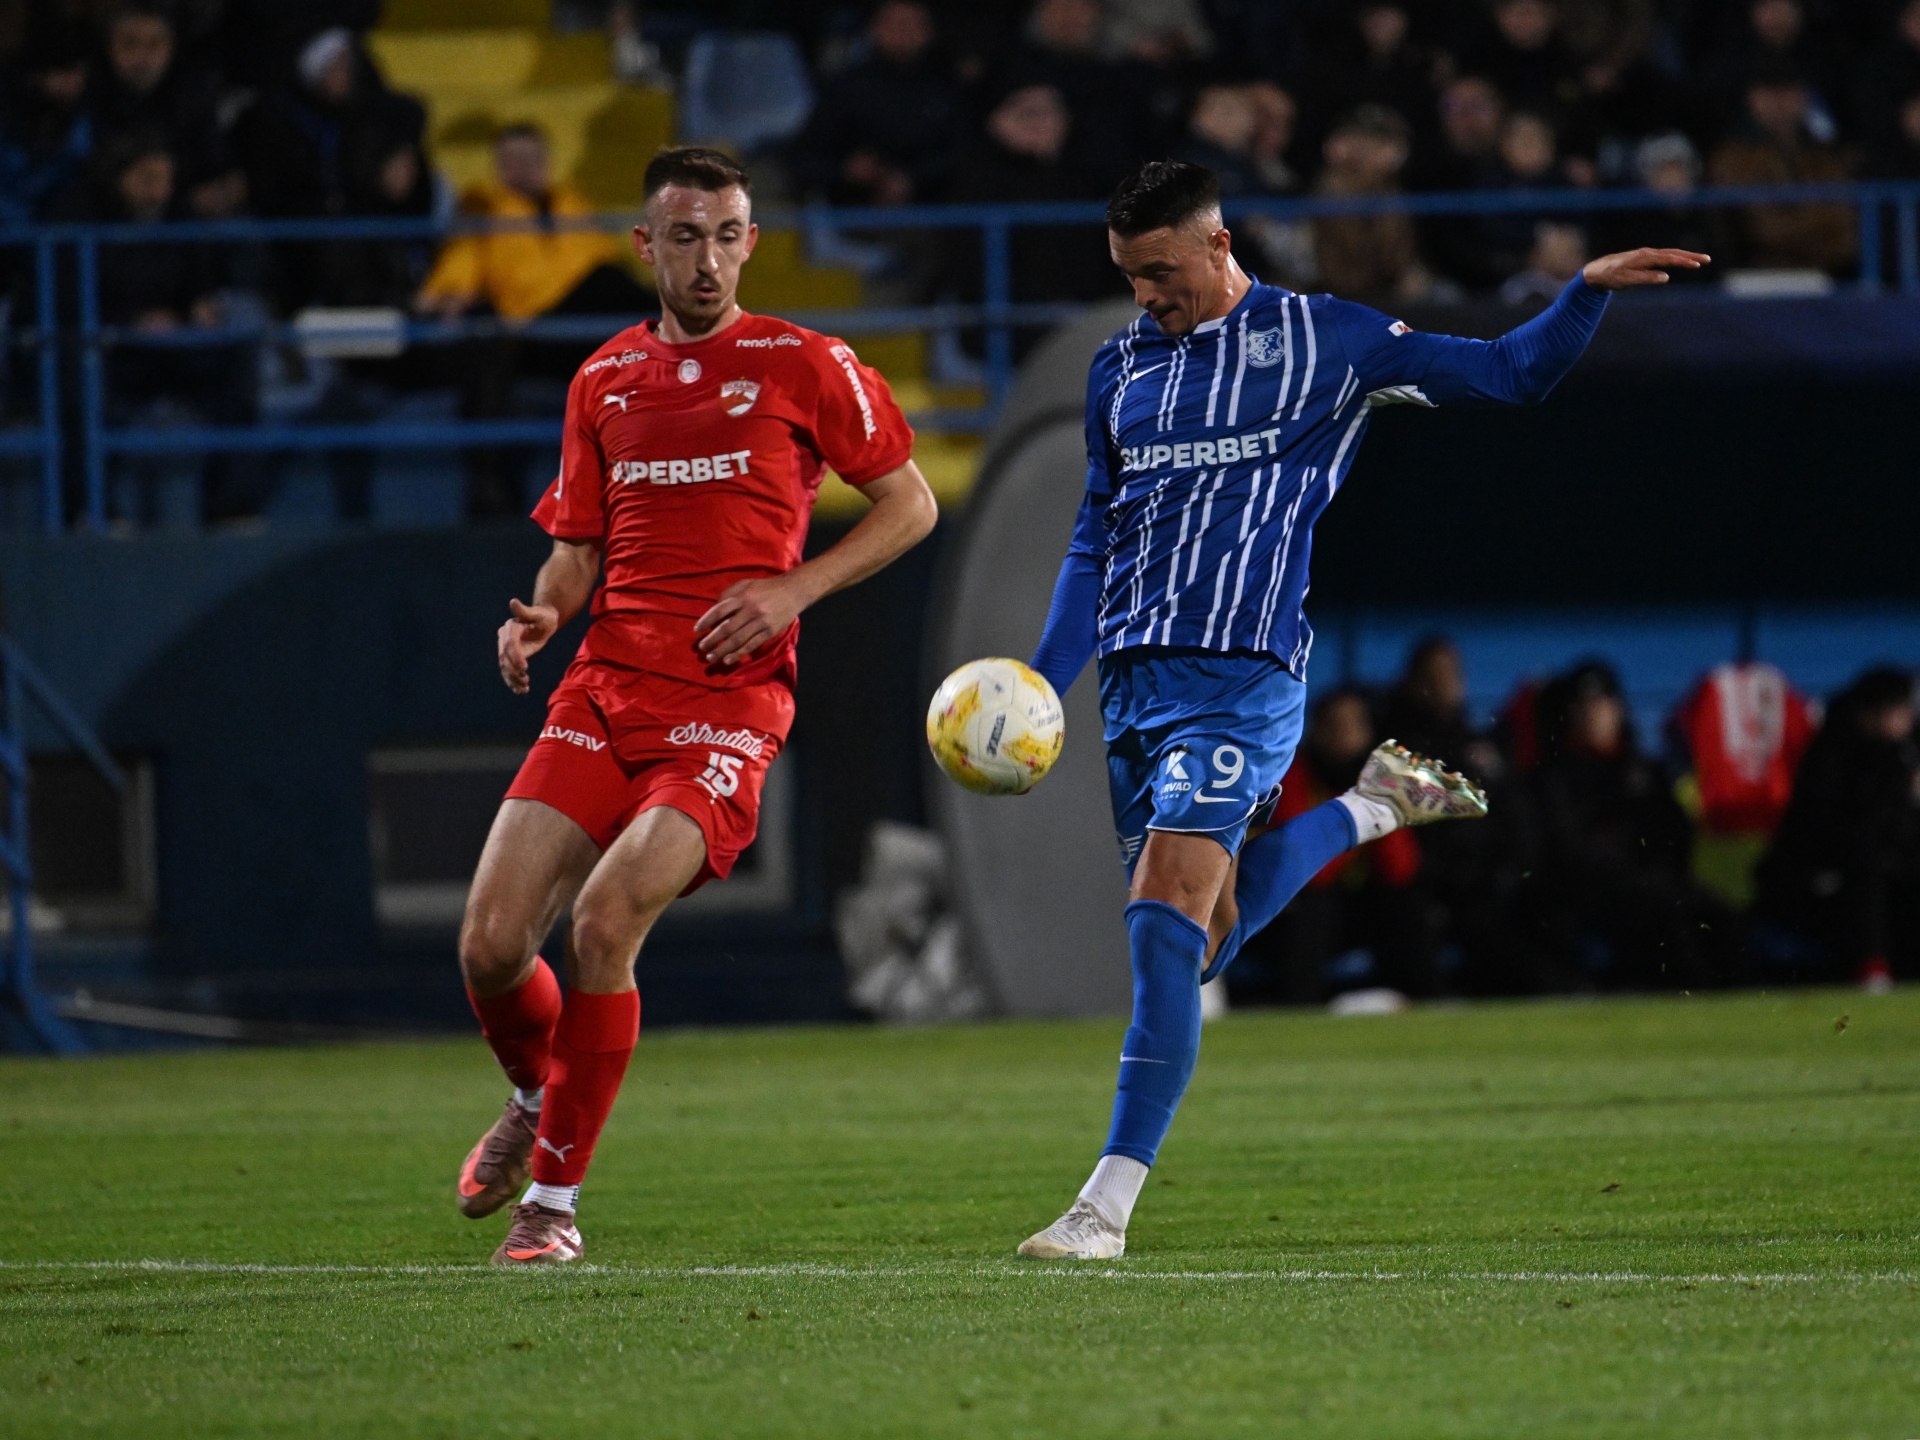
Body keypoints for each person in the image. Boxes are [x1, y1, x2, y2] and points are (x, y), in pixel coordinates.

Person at [1013, 157, 1708, 1259]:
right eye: (1129, 275)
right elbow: (1095, 536)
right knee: (1200, 943)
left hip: (1242, 680)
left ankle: (1105, 1208)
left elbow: (1509, 374)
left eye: (1160, 271)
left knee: (1161, 915)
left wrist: (1580, 295)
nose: (1145, 294)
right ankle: (1370, 806)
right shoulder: (1120, 367)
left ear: (1218, 244)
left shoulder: (1325, 341)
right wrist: (1044, 687)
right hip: (1136, 690)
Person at [452, 148, 938, 1267]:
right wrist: (543, 613)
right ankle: (536, 1096)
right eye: (685, 237)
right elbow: (578, 550)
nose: (708, 260)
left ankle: (552, 1208)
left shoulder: (804, 362)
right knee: (488, 946)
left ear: (751, 242)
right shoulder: (602, 379)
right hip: (603, 689)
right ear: (646, 246)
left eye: (726, 236)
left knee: (604, 923)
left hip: (726, 706)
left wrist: (794, 589)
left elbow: (910, 506)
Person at [1755, 667, 1920, 991]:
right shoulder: (1831, 756)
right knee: (1868, 872)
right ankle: (1872, 967)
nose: (1900, 720)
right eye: (1892, 711)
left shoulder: (1908, 751)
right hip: (1819, 875)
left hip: (1890, 864)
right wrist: (1900, 790)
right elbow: (1842, 833)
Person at [1707, 64, 1855, 274]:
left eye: (1788, 92)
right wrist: (1817, 226)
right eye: (1770, 93)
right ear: (1753, 98)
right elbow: (1763, 231)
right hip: (1752, 275)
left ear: (1803, 97)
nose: (1780, 103)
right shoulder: (1732, 157)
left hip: (1823, 274)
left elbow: (1843, 233)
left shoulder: (1824, 155)